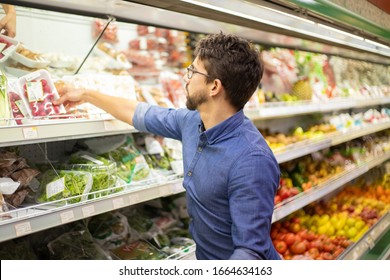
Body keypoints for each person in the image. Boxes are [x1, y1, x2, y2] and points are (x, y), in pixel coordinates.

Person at [54, 32, 281, 260]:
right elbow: (140, 112)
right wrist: (85, 94)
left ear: (214, 87)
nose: (186, 78)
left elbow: (250, 253)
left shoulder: (252, 160)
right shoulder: (193, 121)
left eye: (193, 71)